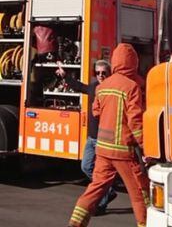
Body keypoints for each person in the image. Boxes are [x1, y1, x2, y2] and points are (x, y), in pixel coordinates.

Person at [67, 44, 149, 227]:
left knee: (95, 189)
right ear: (133, 63)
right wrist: (146, 147)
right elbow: (135, 123)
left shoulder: (102, 86)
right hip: (123, 151)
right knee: (139, 193)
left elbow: (96, 112)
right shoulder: (132, 87)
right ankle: (145, 223)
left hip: (103, 149)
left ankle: (75, 223)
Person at [58, 59, 118, 215]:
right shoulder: (93, 87)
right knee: (85, 166)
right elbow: (80, 87)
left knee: (100, 173)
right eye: (97, 72)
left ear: (109, 73)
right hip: (91, 138)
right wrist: (65, 76)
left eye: (103, 72)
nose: (100, 75)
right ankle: (108, 190)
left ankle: (101, 204)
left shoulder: (112, 89)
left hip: (103, 138)